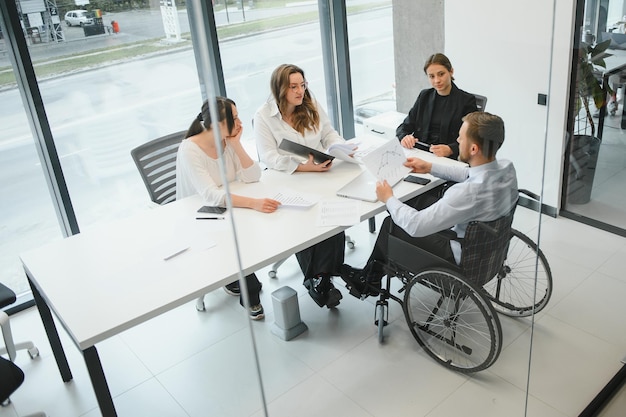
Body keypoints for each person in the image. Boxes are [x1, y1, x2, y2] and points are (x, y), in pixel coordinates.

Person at [340, 112, 518, 295]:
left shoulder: (467, 193)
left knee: (392, 224)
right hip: (488, 249)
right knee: (417, 201)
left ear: (473, 149)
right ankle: (373, 274)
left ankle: (369, 281)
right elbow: (468, 174)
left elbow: (416, 226)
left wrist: (389, 199)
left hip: (457, 257)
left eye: (460, 137)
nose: (457, 139)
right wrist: (430, 167)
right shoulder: (506, 168)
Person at [176, 97, 281, 320]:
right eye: (234, 118)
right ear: (216, 123)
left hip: (231, 207)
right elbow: (211, 195)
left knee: (257, 227)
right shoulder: (190, 150)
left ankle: (238, 277)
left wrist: (236, 144)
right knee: (240, 236)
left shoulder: (226, 140)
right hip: (203, 216)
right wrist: (254, 203)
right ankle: (249, 293)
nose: (240, 122)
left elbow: (253, 176)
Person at [254, 63, 346, 309]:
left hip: (320, 174)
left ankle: (322, 277)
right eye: (293, 87)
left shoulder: (311, 105)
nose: (300, 91)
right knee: (307, 219)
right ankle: (319, 280)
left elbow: (328, 134)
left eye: (302, 85)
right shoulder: (264, 115)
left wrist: (340, 148)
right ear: (279, 89)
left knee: (333, 217)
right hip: (288, 180)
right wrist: (305, 167)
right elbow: (268, 157)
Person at [396, 53, 477, 159]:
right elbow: (404, 126)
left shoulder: (466, 100)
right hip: (420, 152)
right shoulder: (424, 96)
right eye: (431, 76)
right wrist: (404, 137)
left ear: (451, 71)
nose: (437, 80)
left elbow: (474, 137)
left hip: (447, 158)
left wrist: (451, 149)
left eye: (441, 74)